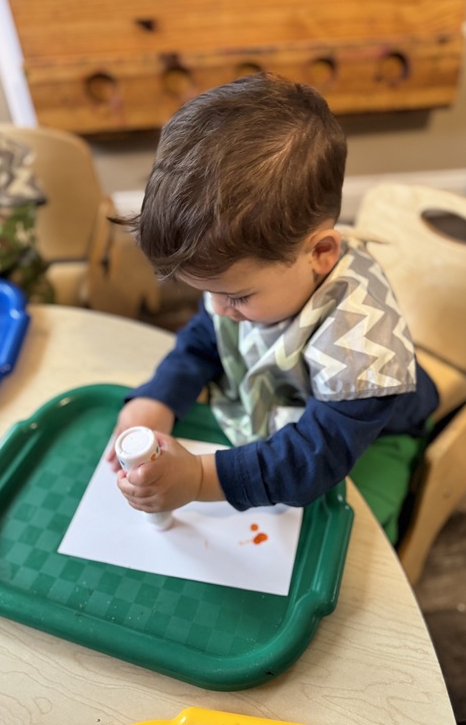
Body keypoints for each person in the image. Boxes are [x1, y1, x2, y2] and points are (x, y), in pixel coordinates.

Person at [109, 71, 439, 544]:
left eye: (237, 296)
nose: (218, 309)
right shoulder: (247, 277)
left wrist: (199, 479)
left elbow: (314, 460)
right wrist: (157, 399)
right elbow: (204, 339)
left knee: (354, 545)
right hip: (273, 404)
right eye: (209, 292)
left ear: (320, 253)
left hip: (373, 436)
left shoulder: (364, 348)